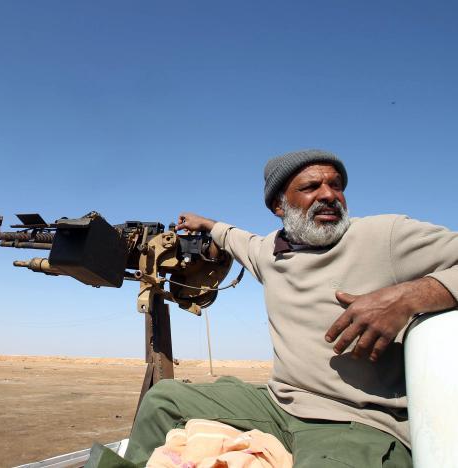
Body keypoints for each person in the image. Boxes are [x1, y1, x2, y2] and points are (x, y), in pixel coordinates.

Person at [123, 149, 458, 467]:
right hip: (280, 403)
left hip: (359, 421)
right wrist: (206, 224)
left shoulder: (385, 235)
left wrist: (411, 296)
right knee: (162, 401)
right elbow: (235, 238)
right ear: (279, 207)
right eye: (312, 186)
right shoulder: (270, 251)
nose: (329, 194)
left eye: (336, 185)